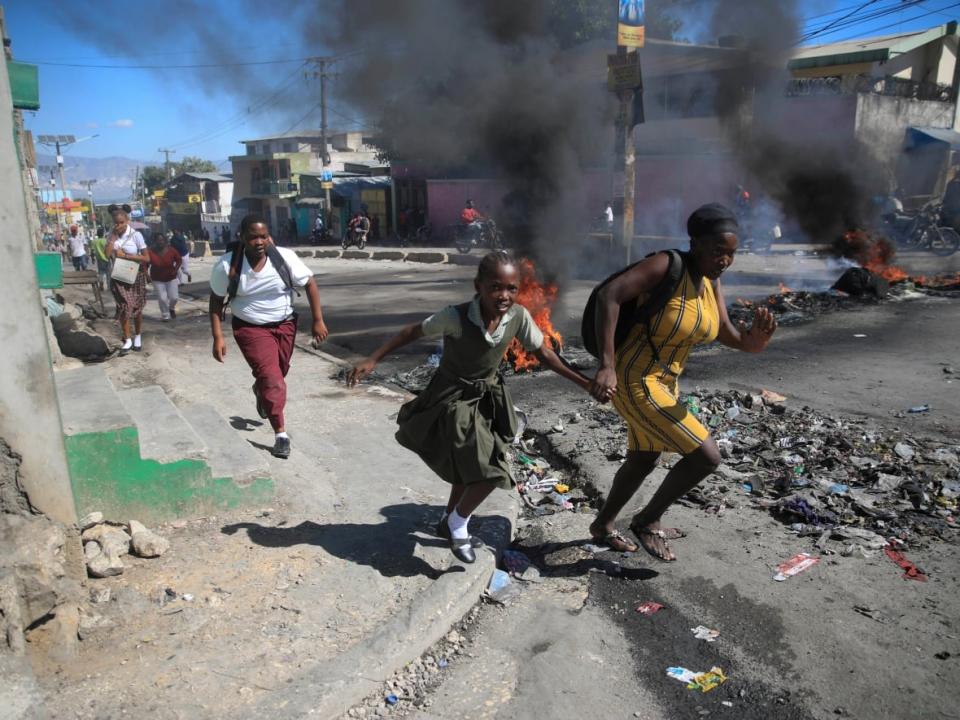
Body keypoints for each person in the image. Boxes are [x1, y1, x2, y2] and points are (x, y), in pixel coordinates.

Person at [347, 251, 596, 564]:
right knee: (492, 471)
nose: (504, 296)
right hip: (452, 397)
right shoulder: (456, 316)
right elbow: (412, 331)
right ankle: (458, 524)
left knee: (470, 468)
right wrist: (373, 358)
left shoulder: (518, 316)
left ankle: (447, 520)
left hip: (487, 397)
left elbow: (545, 354)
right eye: (495, 287)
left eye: (511, 289)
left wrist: (585, 383)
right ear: (478, 286)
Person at [588, 203, 778, 561]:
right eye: (717, 250)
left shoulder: (710, 282)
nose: (724, 260)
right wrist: (606, 365)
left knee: (644, 457)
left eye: (731, 253)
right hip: (634, 377)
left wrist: (752, 343)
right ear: (695, 242)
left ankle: (602, 525)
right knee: (707, 456)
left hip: (665, 381)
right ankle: (648, 520)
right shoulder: (666, 265)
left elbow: (724, 331)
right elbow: (608, 295)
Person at [208, 213, 329, 459]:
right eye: (253, 237)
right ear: (242, 238)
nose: (260, 242)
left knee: (278, 372)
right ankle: (281, 435)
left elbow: (310, 283)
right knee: (273, 379)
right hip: (250, 329)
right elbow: (216, 301)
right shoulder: (227, 265)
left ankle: (260, 390)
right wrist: (217, 336)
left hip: (285, 325)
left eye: (264, 236)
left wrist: (318, 320)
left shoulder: (284, 258)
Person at [107, 204, 150, 355]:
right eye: (116, 223)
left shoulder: (136, 235)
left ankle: (137, 336)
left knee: (136, 308)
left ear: (127, 221)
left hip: (135, 276)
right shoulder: (111, 235)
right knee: (124, 307)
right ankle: (127, 338)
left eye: (121, 222)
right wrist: (112, 239)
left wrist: (126, 256)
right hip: (119, 277)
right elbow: (106, 255)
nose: (118, 226)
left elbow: (146, 257)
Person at [147, 233, 182, 321]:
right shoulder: (150, 251)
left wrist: (175, 270)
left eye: (162, 240)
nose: (160, 242)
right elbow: (145, 264)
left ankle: (171, 308)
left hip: (171, 277)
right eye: (158, 240)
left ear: (165, 241)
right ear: (155, 241)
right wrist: (146, 275)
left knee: (174, 297)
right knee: (162, 298)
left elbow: (179, 260)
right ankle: (165, 315)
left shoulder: (171, 250)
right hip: (157, 278)